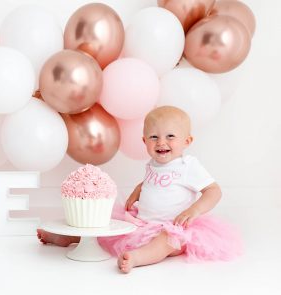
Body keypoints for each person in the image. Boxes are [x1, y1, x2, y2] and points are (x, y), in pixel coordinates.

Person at [37, 106, 242, 274]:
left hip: (175, 226)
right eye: (154, 137)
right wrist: (137, 190)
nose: (161, 142)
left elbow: (213, 190)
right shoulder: (153, 163)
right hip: (144, 223)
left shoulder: (188, 166)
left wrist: (194, 211)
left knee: (167, 242)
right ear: (144, 141)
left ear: (187, 141)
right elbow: (151, 182)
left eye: (170, 136)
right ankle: (69, 238)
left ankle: (138, 258)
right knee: (109, 227)